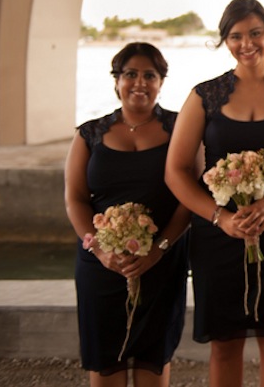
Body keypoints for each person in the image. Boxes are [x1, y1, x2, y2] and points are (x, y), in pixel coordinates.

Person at [165, 0, 264, 387]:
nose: (247, 43)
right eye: (235, 36)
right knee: (224, 343)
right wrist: (222, 218)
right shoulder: (204, 96)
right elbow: (176, 172)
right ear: (224, 41)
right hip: (218, 237)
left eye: (255, 33)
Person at [65, 42, 190, 386]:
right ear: (116, 81)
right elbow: (75, 199)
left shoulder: (181, 128)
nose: (139, 82)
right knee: (107, 362)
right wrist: (100, 249)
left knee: (153, 359)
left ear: (161, 82)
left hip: (162, 261)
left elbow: (189, 199)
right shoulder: (89, 133)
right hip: (101, 265)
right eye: (130, 74)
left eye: (149, 75)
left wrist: (158, 249)